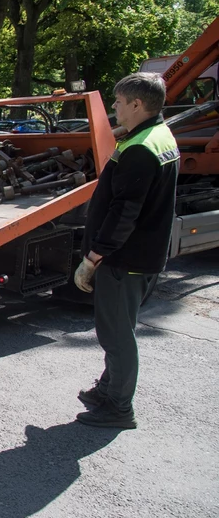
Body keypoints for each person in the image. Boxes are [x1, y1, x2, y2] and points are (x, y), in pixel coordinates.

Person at [73, 71, 179, 429]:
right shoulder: (156, 136)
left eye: (118, 102)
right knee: (120, 328)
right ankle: (107, 388)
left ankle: (119, 408)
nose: (115, 107)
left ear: (137, 104)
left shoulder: (140, 149)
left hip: (126, 258)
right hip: (142, 254)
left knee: (116, 334)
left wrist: (93, 258)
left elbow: (124, 213)